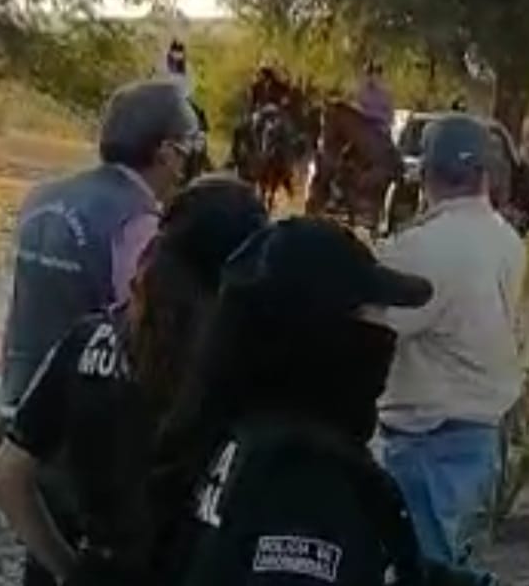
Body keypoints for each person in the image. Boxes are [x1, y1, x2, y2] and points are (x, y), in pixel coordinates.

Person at [151, 218, 487, 585]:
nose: (387, 333)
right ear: (326, 336)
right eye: (371, 315)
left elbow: (373, 562)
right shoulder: (302, 478)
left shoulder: (234, 430)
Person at [0, 176, 267, 586]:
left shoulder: (89, 338)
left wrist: (66, 568)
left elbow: (8, 475)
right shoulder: (234, 367)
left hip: (97, 564)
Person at [374, 114, 526, 570]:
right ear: (484, 174)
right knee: (457, 563)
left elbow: (379, 326)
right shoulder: (507, 239)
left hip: (428, 438)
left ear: (425, 175)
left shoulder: (422, 248)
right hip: (481, 433)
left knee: (421, 567)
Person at [1, 79, 203, 412]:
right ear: (167, 153)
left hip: (16, 400)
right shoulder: (138, 222)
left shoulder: (41, 197)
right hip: (76, 419)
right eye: (190, 146)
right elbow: (147, 337)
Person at [356, 60, 395, 137]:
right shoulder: (361, 92)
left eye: (371, 74)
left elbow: (390, 114)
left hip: (380, 128)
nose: (369, 78)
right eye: (367, 74)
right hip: (364, 128)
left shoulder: (386, 92)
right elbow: (357, 110)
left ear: (378, 75)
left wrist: (385, 126)